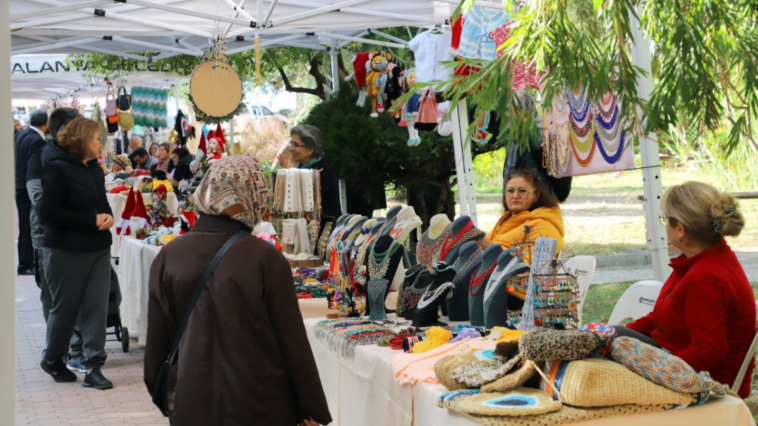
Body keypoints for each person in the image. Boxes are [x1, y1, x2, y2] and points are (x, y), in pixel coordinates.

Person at [144, 156, 332, 426]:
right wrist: (311, 409)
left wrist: (174, 398)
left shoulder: (169, 256)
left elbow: (155, 352)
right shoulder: (265, 258)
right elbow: (293, 344)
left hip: (191, 402)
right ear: (254, 194)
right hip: (261, 405)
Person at [626, 181, 755, 398]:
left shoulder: (706, 277)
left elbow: (708, 351)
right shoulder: (697, 262)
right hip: (684, 367)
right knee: (604, 342)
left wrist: (659, 369)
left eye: (666, 219)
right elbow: (664, 315)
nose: (664, 225)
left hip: (711, 387)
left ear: (680, 229)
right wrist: (612, 334)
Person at [38, 117, 114, 390]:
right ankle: (52, 358)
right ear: (81, 140)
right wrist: (91, 220)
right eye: (96, 138)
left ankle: (94, 367)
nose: (100, 143)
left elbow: (102, 203)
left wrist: (109, 218)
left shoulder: (95, 168)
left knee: (97, 308)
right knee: (66, 309)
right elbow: (47, 213)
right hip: (65, 249)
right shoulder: (56, 168)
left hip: (98, 248)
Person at [481, 167, 565, 267]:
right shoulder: (506, 220)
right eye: (511, 191)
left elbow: (527, 269)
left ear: (536, 196)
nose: (515, 195)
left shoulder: (543, 227)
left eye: (522, 190)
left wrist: (486, 246)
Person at [277, 125, 341, 221]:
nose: (291, 148)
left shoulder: (321, 172)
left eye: (296, 144)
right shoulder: (302, 168)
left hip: (326, 231)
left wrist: (288, 177)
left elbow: (303, 202)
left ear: (310, 150)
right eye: (291, 143)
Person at [15, 109, 48, 275]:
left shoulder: (20, 135)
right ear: (46, 124)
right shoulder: (37, 140)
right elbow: (33, 168)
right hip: (27, 188)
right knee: (28, 225)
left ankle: (26, 261)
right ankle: (25, 264)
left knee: (24, 224)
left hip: (19, 186)